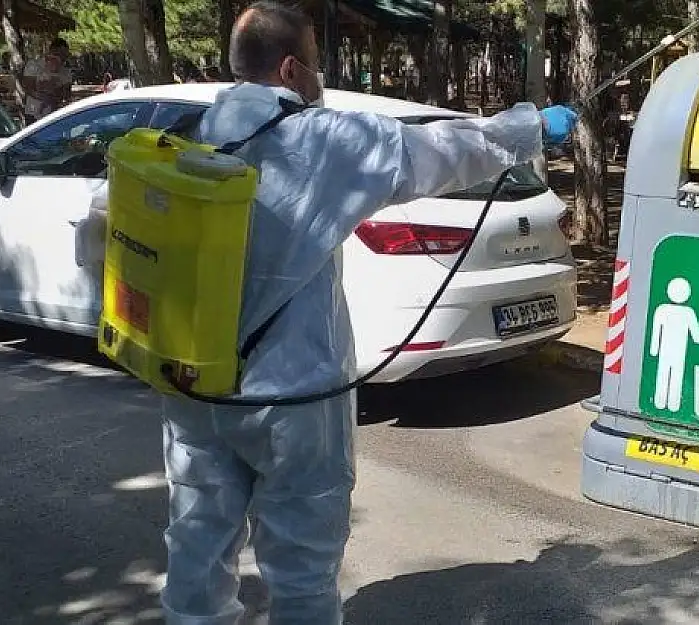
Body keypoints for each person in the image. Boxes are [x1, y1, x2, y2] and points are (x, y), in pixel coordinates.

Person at [156, 2, 579, 623]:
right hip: (293, 397)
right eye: (319, 64)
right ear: (295, 69)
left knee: (196, 544)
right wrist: (530, 127)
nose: (321, 78)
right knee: (302, 565)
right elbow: (437, 151)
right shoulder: (317, 141)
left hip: (192, 386)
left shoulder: (181, 142)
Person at [21, 38, 72, 123]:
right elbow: (28, 87)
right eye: (59, 53)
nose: (62, 57)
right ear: (51, 51)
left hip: (54, 112)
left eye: (65, 55)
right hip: (33, 111)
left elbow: (66, 93)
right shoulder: (34, 65)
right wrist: (43, 96)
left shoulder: (65, 71)